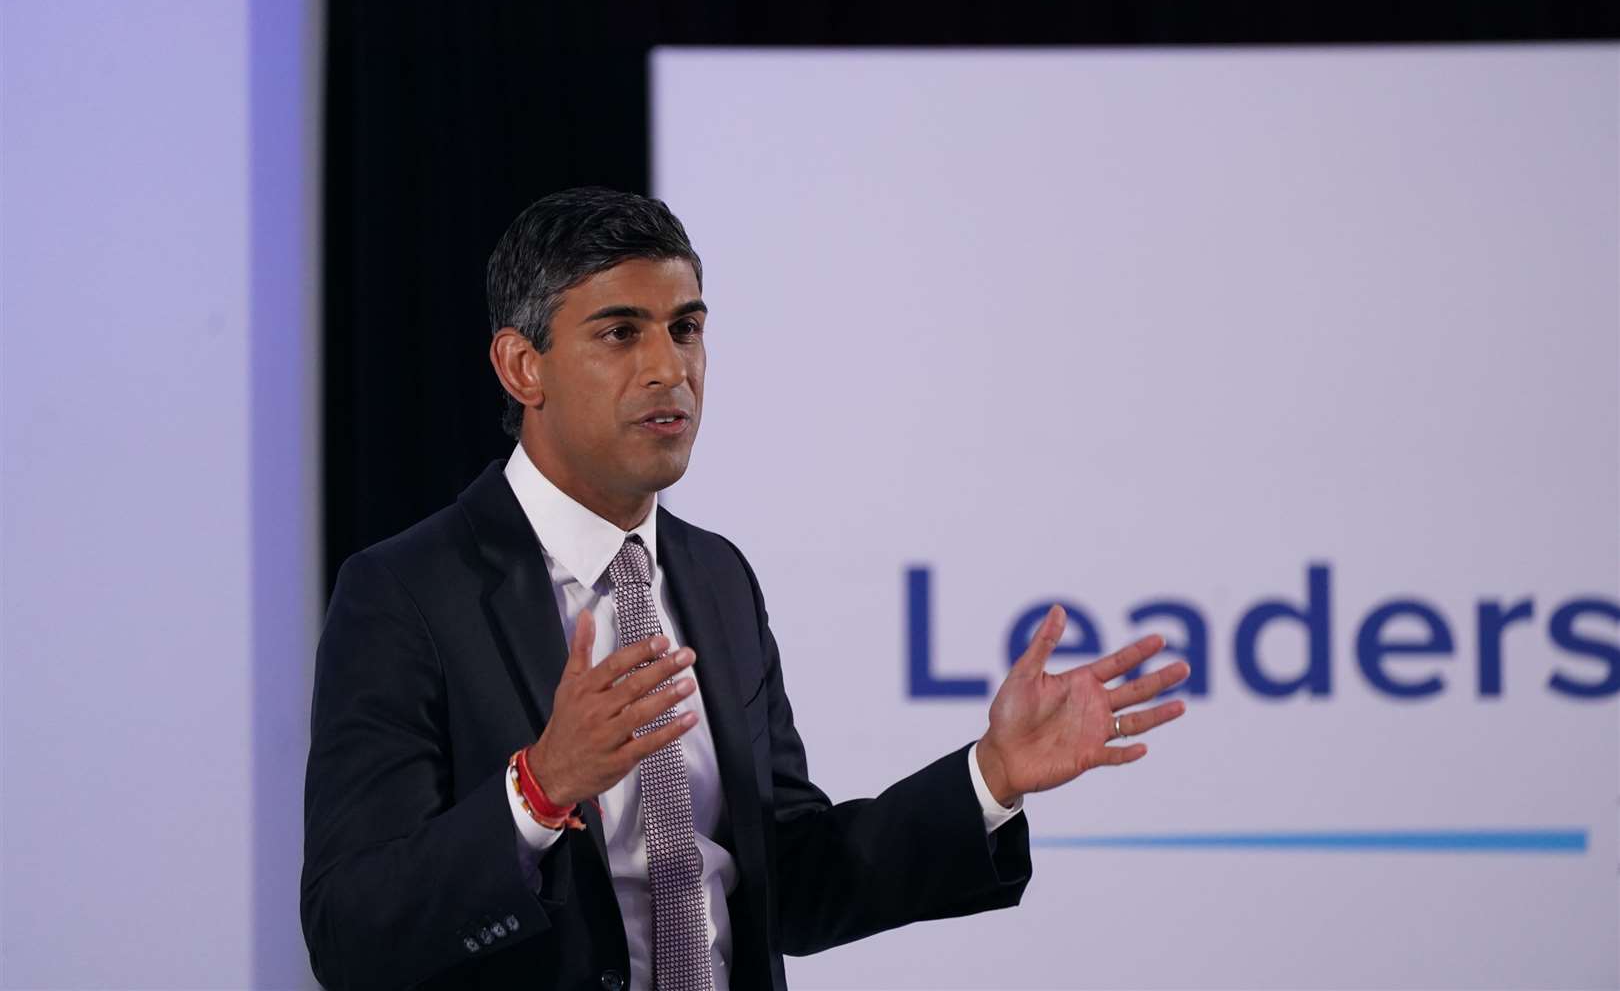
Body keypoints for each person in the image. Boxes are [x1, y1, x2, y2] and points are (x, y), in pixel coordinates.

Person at [300, 187, 1191, 991]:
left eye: (685, 328)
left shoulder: (717, 578)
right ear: (521, 366)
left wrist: (988, 779)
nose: (669, 369)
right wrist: (538, 789)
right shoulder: (405, 594)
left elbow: (792, 882)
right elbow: (352, 934)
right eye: (620, 333)